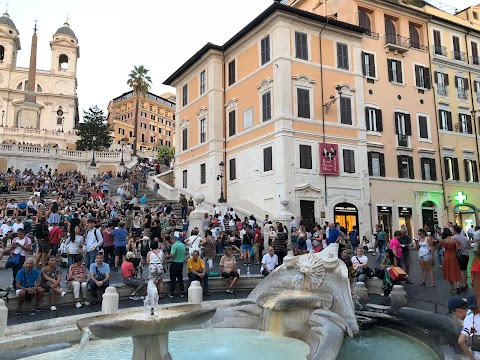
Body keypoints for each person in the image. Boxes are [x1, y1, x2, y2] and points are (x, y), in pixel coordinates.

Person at [449, 295, 480, 360]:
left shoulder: (469, 320)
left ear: (458, 311)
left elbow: (461, 341)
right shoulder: (473, 314)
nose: (456, 317)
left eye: (454, 314)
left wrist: (472, 358)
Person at [441, 228, 462, 294]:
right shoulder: (454, 240)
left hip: (447, 257)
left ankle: (453, 289)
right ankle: (458, 286)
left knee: (448, 271)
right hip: (454, 256)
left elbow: (441, 248)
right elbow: (459, 248)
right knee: (456, 270)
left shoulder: (443, 241)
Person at [453, 225, 470, 292]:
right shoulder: (465, 238)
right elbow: (468, 247)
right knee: (464, 269)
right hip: (466, 254)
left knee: (460, 270)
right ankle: (465, 284)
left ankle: (461, 285)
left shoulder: (453, 238)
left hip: (459, 255)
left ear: (454, 231)